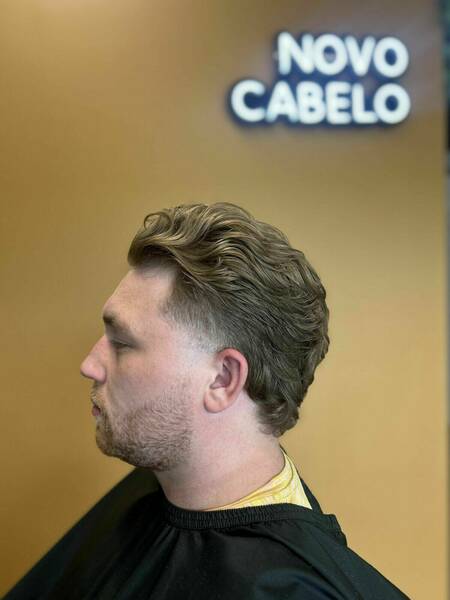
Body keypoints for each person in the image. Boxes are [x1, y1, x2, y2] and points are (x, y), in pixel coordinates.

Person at [5, 203, 409, 599]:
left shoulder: (291, 587)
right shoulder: (160, 490)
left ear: (222, 379)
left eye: (122, 343)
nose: (89, 365)